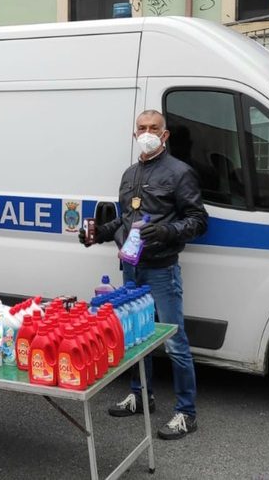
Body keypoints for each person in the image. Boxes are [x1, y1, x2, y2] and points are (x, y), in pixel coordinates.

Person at [79, 109, 208, 440]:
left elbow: (198, 220)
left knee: (175, 342)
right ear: (134, 133)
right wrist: (99, 234)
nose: (147, 132)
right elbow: (126, 220)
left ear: (164, 135)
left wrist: (166, 232)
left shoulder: (180, 173)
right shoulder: (130, 174)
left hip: (162, 270)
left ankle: (185, 412)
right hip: (131, 267)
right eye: (141, 128)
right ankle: (140, 396)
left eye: (153, 128)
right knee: (134, 338)